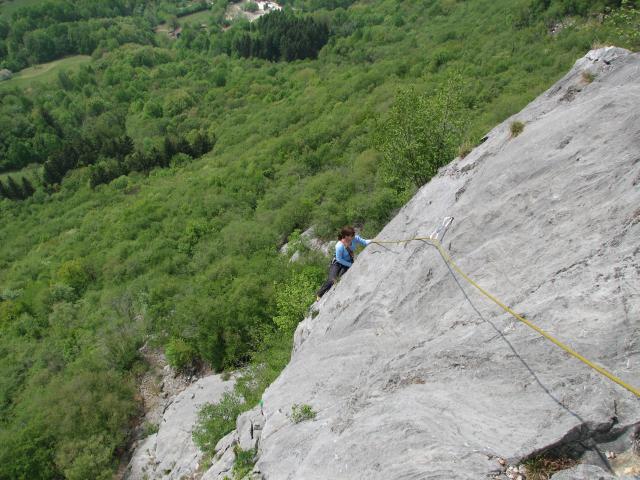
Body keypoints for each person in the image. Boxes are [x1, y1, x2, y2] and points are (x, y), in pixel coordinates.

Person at [316, 226, 371, 299]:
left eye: (353, 234)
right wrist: (351, 265)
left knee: (340, 277)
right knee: (332, 279)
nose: (353, 236)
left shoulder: (355, 238)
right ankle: (319, 294)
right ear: (346, 236)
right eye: (351, 235)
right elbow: (339, 259)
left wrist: (373, 240)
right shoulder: (339, 246)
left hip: (348, 261)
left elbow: (364, 242)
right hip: (337, 263)